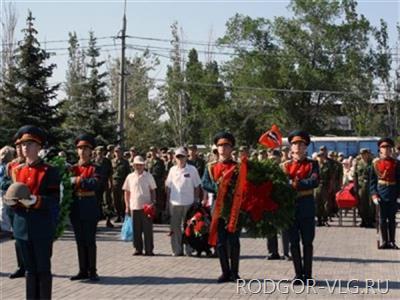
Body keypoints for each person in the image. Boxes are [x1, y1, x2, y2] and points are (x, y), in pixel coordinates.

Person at [7, 125, 60, 298]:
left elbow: (53, 200)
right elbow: (13, 197)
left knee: (43, 269)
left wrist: (35, 200)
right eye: (23, 144)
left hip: (41, 227)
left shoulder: (49, 171)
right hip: (22, 227)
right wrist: (11, 202)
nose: (25, 148)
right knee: (29, 270)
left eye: (30, 144)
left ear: (39, 147)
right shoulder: (17, 171)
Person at [202, 132, 241, 283]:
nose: (223, 148)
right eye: (220, 146)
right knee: (220, 242)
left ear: (231, 148)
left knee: (234, 241)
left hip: (234, 207)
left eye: (226, 145)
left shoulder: (237, 167)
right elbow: (205, 182)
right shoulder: (211, 167)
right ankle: (225, 271)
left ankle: (235, 272)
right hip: (217, 207)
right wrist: (217, 187)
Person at [281, 130, 319, 284]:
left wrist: (298, 184)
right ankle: (298, 274)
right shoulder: (284, 166)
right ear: (291, 147)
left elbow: (314, 181)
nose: (298, 146)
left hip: (307, 206)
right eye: (295, 144)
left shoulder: (312, 164)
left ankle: (308, 275)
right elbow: (281, 185)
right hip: (290, 208)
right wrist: (291, 184)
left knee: (308, 242)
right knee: (293, 243)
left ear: (306, 147)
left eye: (301, 144)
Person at [70, 134, 101, 281]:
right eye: (80, 148)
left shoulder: (95, 168)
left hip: (89, 206)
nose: (82, 151)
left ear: (90, 151)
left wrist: (77, 180)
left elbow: (95, 184)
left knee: (89, 240)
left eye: (85, 148)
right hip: (76, 206)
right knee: (79, 240)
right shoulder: (72, 168)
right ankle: (82, 270)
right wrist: (80, 181)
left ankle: (92, 270)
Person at [165, 147, 201, 256]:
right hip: (175, 203)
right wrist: (167, 202)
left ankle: (189, 249)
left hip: (189, 203)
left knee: (189, 227)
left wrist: (196, 200)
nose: (180, 159)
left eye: (182, 156)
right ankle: (177, 250)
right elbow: (168, 187)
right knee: (175, 227)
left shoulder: (192, 169)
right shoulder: (172, 170)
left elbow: (197, 186)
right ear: (175, 158)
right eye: (178, 157)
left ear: (186, 157)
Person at [123, 155, 157, 256]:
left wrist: (153, 202)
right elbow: (126, 192)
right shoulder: (130, 177)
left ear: (143, 165)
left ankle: (149, 249)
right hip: (134, 206)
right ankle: (138, 249)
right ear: (133, 166)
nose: (138, 167)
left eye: (140, 165)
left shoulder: (149, 176)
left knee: (148, 230)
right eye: (136, 165)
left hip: (147, 207)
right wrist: (127, 206)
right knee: (136, 230)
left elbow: (153, 190)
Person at [370, 138, 400, 249]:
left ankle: (392, 241)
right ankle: (384, 241)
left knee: (392, 219)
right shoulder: (375, 163)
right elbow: (372, 181)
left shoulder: (396, 163)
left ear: (391, 149)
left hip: (393, 193)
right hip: (381, 193)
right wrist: (374, 195)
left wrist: (399, 196)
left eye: (388, 147)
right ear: (380, 150)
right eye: (383, 148)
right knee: (382, 220)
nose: (386, 150)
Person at [94, 146, 114, 228]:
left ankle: (108, 220)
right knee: (96, 202)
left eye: (102, 152)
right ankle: (95, 221)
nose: (100, 153)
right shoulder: (93, 162)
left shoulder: (107, 161)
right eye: (99, 152)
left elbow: (110, 173)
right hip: (96, 184)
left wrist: (111, 183)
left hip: (105, 183)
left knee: (107, 202)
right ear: (96, 152)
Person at [354, 148, 374, 228]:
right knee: (361, 204)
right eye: (361, 154)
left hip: (370, 185)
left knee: (370, 204)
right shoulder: (358, 163)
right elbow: (355, 175)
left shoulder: (372, 163)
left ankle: (370, 221)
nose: (363, 155)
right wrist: (355, 187)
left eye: (364, 154)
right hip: (361, 186)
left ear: (367, 154)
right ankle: (363, 220)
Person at [147, 146, 167, 223]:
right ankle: (151, 217)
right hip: (150, 184)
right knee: (151, 200)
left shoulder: (160, 162)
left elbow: (163, 174)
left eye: (154, 151)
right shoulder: (148, 161)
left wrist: (162, 183)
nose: (153, 152)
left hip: (158, 183)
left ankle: (158, 217)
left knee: (158, 201)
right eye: (151, 151)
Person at [112, 146, 131, 223]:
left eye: (119, 151)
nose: (117, 153)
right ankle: (118, 215)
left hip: (122, 182)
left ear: (122, 153)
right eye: (116, 152)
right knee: (115, 200)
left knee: (123, 200)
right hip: (114, 182)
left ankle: (123, 215)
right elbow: (110, 173)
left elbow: (128, 174)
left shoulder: (125, 162)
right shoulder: (112, 161)